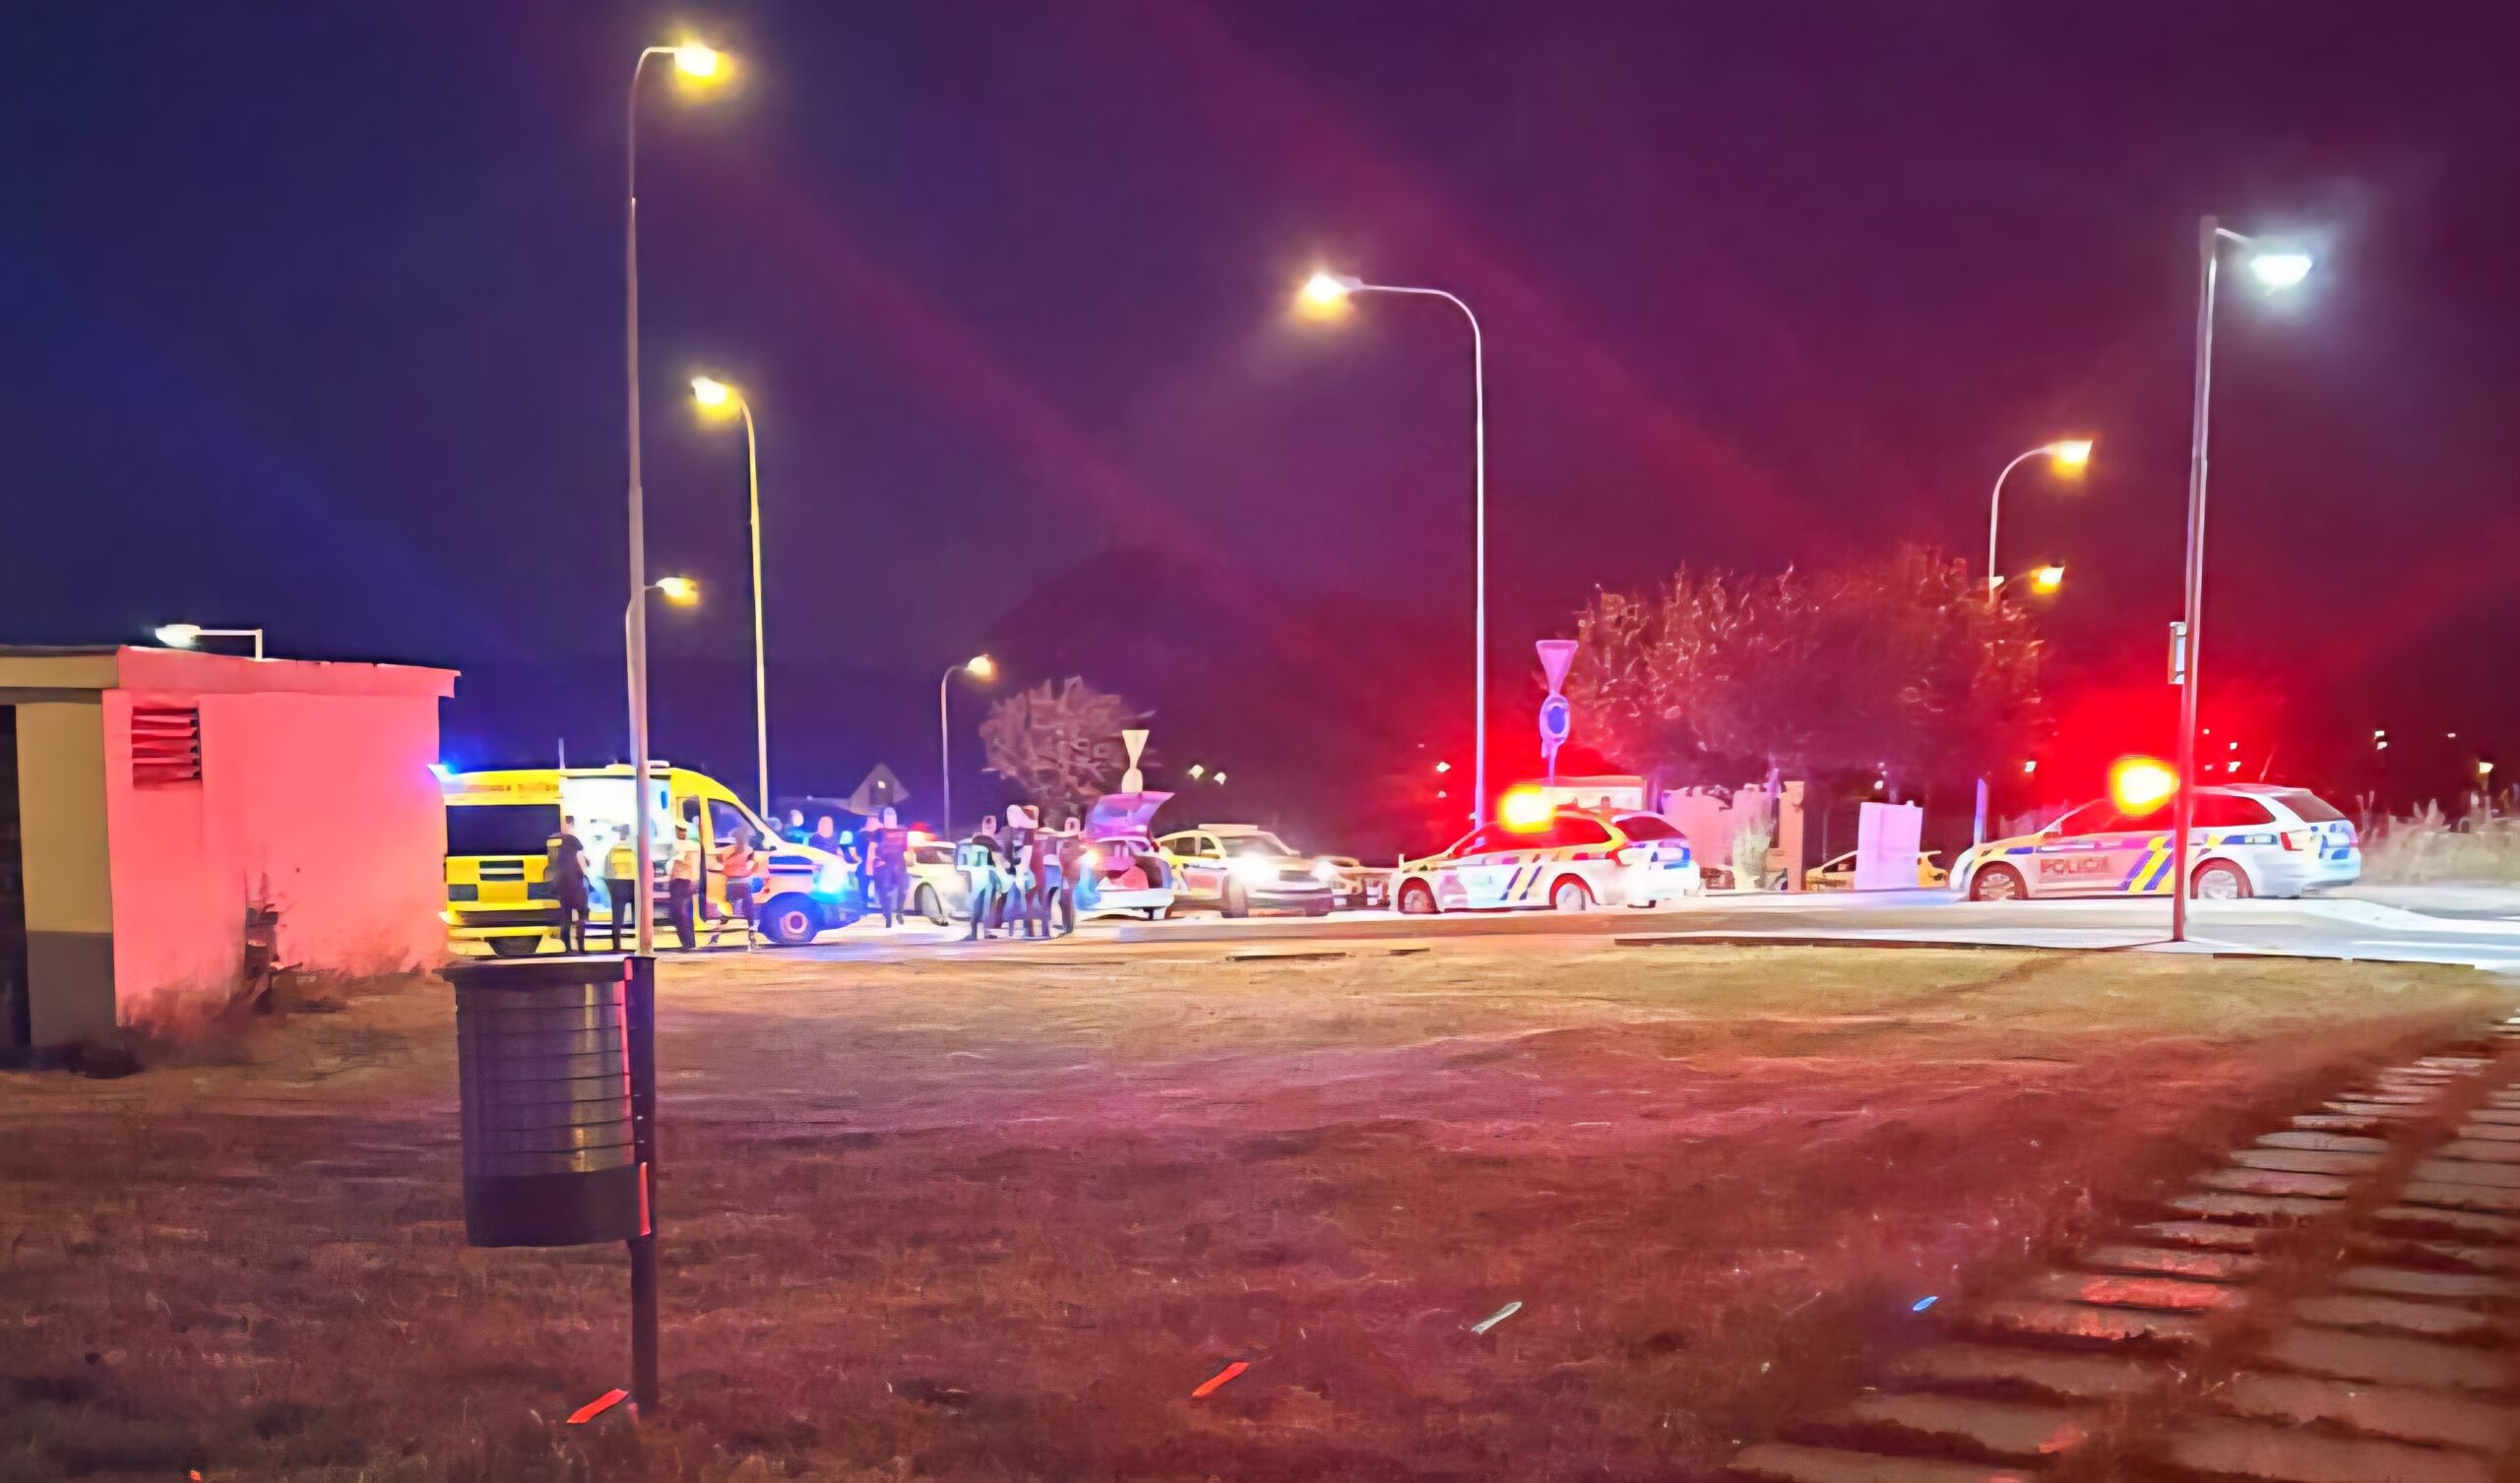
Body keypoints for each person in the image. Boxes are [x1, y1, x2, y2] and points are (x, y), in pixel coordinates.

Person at [547, 814, 591, 954]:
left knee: (566, 916)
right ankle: (581, 947)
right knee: (581, 916)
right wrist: (584, 873)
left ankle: (567, 947)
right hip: (576, 884)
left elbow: (551, 863)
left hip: (562, 884)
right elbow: (581, 860)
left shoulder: (555, 841)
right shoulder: (574, 841)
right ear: (572, 824)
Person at [960, 816, 1005, 941]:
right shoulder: (990, 841)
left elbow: (974, 860)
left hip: (984, 876)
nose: (989, 826)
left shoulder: (981, 840)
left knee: (982, 905)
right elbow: (999, 861)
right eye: (988, 824)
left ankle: (977, 932)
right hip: (986, 876)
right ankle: (980, 931)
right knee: (983, 905)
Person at [717, 826, 761, 948]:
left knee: (727, 912)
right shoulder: (749, 851)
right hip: (743, 884)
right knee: (749, 912)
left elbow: (722, 867)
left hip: (731, 884)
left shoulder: (727, 851)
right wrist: (748, 872)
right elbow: (754, 867)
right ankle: (752, 939)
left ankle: (715, 937)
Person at [869, 806, 911, 928]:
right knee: (884, 889)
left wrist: (909, 859)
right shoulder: (879, 832)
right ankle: (887, 914)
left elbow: (906, 849)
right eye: (888, 817)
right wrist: (870, 866)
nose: (890, 819)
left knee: (903, 890)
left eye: (892, 817)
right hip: (883, 863)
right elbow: (872, 848)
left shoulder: (903, 832)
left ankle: (899, 912)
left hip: (899, 863)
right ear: (884, 819)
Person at [666, 821, 703, 950]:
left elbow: (680, 859)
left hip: (682, 882)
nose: (681, 832)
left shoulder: (686, 846)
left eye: (682, 830)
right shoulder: (692, 846)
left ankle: (688, 942)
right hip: (681, 882)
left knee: (681, 915)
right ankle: (689, 942)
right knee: (684, 914)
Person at [602, 826, 638, 950]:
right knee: (639, 916)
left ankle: (616, 944)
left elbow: (607, 870)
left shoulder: (613, 849)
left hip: (617, 884)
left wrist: (610, 886)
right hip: (632, 884)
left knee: (617, 917)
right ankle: (640, 944)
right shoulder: (634, 849)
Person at [1054, 817, 1086, 937]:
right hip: (1067, 874)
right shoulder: (1069, 843)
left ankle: (1068, 926)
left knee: (1065, 900)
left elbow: (1069, 858)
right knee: (1065, 900)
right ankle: (1067, 926)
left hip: (1070, 874)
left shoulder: (1073, 844)